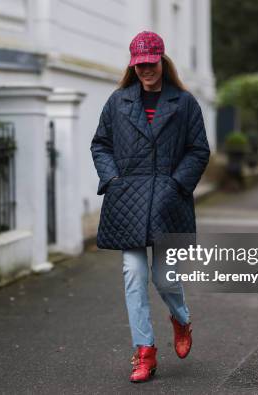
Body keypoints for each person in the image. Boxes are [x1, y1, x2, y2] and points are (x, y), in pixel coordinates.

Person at [90, 31, 211, 383]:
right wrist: (112, 180)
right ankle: (144, 352)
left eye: (151, 62)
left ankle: (181, 320)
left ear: (162, 61)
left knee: (165, 277)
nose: (146, 70)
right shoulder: (118, 102)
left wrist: (176, 185)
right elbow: (101, 145)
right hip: (127, 202)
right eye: (139, 64)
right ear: (133, 65)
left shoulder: (184, 103)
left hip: (168, 203)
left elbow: (198, 150)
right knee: (133, 275)